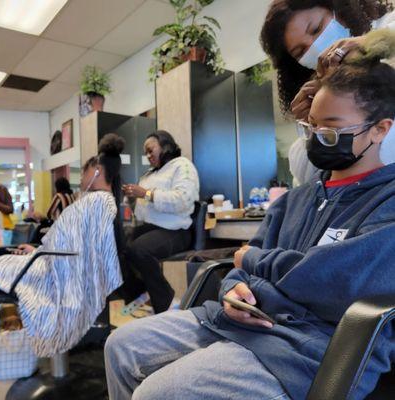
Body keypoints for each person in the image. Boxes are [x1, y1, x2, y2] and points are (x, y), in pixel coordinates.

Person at [104, 38, 395, 400]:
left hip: (307, 346)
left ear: (380, 129)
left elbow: (336, 279)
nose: (318, 139)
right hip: (239, 321)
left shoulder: (388, 199)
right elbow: (248, 263)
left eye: (332, 129)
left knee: (158, 393)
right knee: (121, 345)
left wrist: (252, 260)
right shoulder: (294, 200)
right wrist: (232, 290)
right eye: (313, 128)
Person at [0, 134, 125, 372]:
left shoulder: (96, 203)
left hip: (57, 272)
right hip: (52, 261)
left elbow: (76, 249)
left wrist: (43, 252)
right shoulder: (100, 202)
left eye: (85, 172)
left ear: (96, 170)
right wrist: (38, 249)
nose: (82, 178)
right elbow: (72, 244)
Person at [260, 0, 395, 185]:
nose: (315, 47)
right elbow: (312, 183)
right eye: (300, 51)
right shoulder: (319, 94)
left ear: (340, 10)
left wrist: (371, 44)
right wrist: (315, 130)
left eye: (316, 29)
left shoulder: (388, 28)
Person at [121, 130, 199, 314]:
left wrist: (145, 193)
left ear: (165, 146)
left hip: (176, 230)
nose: (148, 156)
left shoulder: (182, 166)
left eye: (150, 150)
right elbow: (141, 210)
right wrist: (133, 198)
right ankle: (141, 294)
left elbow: (183, 200)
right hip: (150, 229)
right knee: (116, 247)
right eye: (146, 153)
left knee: (139, 249)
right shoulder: (148, 175)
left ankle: (167, 301)